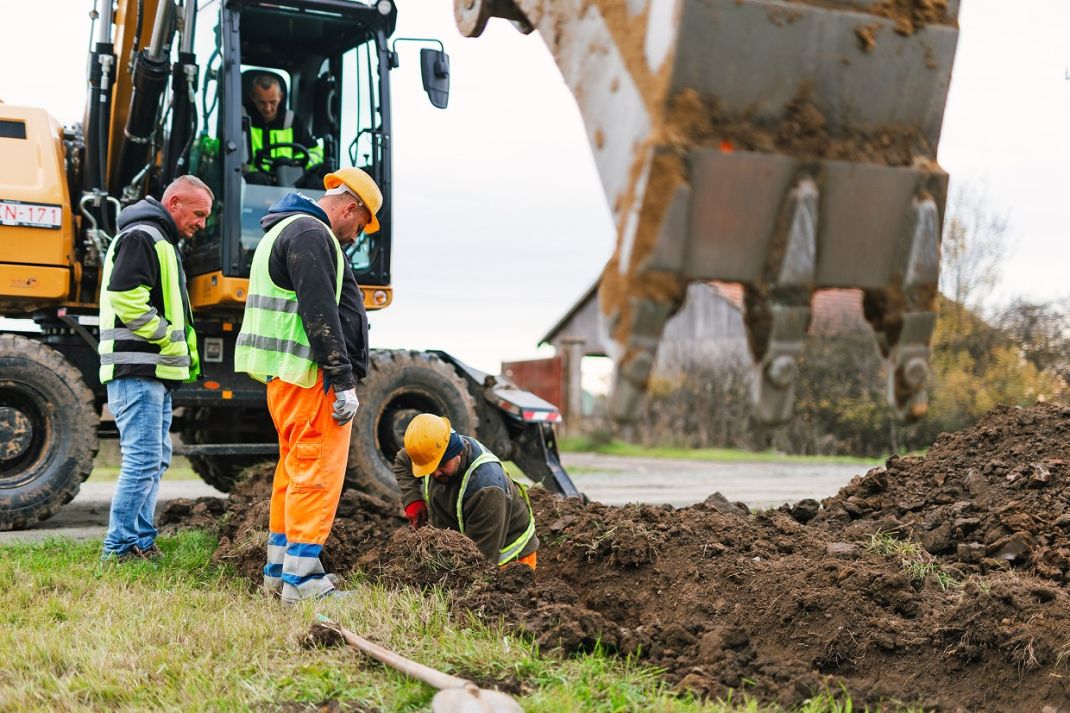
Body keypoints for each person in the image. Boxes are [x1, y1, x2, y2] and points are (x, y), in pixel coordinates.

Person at [235, 167, 378, 603]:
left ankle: (280, 571)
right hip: (311, 379)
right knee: (316, 476)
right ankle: (304, 582)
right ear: (350, 206)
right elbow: (320, 314)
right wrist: (343, 380)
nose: (354, 235)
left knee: (294, 474)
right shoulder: (312, 234)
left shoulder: (283, 231)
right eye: (359, 225)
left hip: (286, 379)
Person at [99, 175, 210, 561]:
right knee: (144, 460)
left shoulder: (156, 238)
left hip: (152, 372)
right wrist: (165, 336)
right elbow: (126, 297)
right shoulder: (144, 236)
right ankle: (119, 548)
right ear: (174, 202)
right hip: (139, 369)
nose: (201, 224)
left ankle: (140, 542)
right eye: (198, 214)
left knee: (154, 459)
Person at [393, 414, 539, 570]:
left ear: (457, 452)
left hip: (509, 563)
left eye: (441, 465)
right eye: (429, 469)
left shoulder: (486, 489)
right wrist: (413, 500)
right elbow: (402, 460)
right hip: (462, 540)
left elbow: (480, 564)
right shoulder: (432, 449)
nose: (435, 474)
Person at [244, 73, 323, 181]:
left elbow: (316, 153)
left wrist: (294, 164)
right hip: (251, 186)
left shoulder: (292, 121)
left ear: (280, 96)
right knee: (257, 178)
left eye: (273, 102)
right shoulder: (241, 121)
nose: (268, 108)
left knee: (314, 182)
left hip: (289, 183)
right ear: (253, 97)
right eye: (262, 103)